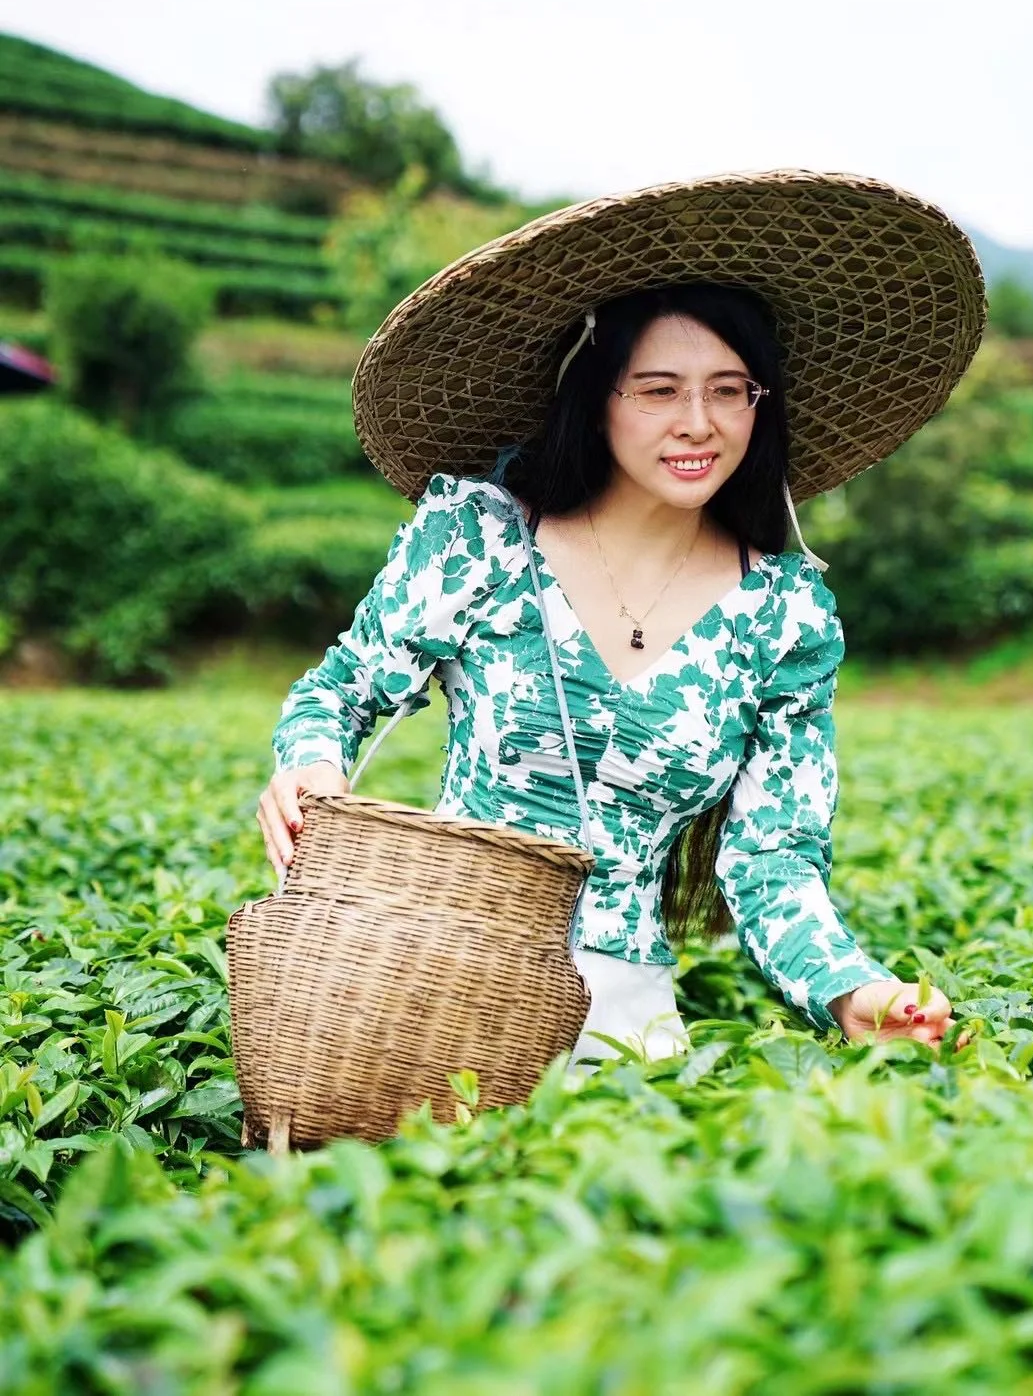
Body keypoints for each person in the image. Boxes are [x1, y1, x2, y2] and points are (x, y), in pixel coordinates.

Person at [258, 171, 985, 1060]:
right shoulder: (480, 540)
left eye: (730, 390)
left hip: (626, 1023)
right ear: (594, 397)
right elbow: (339, 694)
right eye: (658, 390)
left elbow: (773, 861)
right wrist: (312, 772)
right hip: (436, 980)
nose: (698, 423)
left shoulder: (784, 621)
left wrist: (854, 990)